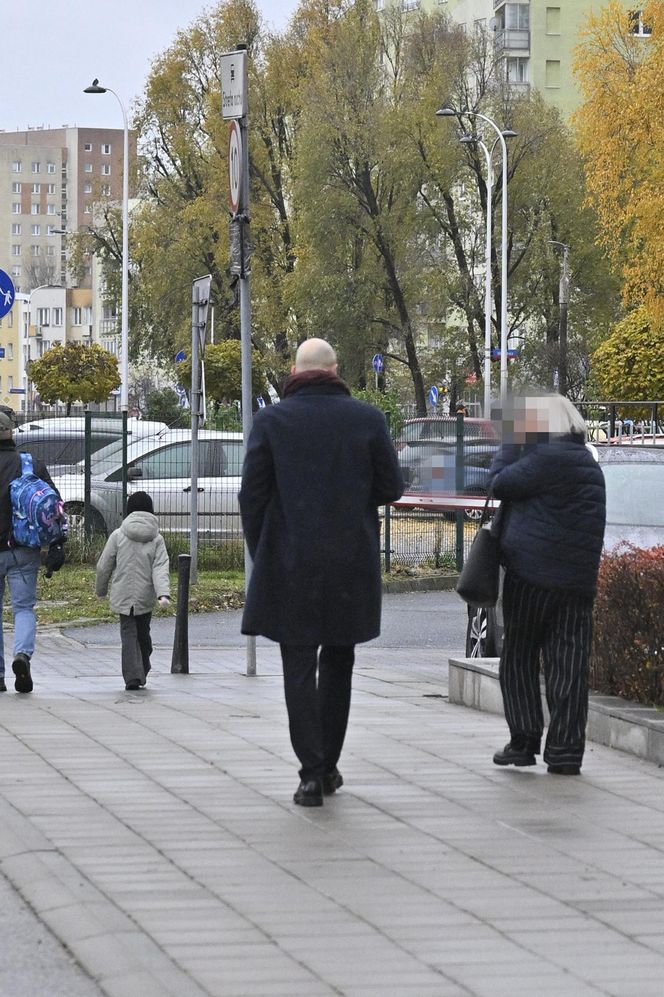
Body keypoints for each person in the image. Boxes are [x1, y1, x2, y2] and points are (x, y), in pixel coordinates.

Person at [239, 338, 404, 806]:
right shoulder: (367, 419)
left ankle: (310, 773)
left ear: (294, 370)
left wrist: (265, 548)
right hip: (350, 562)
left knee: (297, 664)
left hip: (290, 562)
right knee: (339, 661)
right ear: (335, 370)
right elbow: (391, 487)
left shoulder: (272, 422)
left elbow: (251, 496)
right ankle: (329, 764)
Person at [488, 392, 606, 776]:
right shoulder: (589, 464)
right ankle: (566, 751)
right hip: (577, 583)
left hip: (531, 577)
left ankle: (523, 741)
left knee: (519, 657)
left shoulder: (542, 458)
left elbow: (499, 483)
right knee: (569, 664)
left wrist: (511, 441)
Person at [0, 411, 65, 693]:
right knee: (24, 608)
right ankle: (22, 655)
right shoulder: (30, 464)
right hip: (24, 549)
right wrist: (57, 544)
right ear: (11, 433)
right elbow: (55, 508)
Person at [95, 491, 170, 691]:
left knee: (128, 634)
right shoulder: (157, 539)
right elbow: (160, 568)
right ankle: (140, 669)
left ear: (128, 511)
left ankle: (132, 675)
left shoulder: (118, 535)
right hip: (145, 597)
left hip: (122, 595)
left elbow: (104, 566)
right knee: (143, 634)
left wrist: (101, 590)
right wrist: (163, 594)